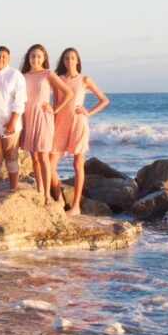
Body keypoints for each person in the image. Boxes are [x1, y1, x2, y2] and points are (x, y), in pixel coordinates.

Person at [50, 48, 110, 215]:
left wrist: (88, 112)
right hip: (60, 123)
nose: (69, 61)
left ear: (77, 60)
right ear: (63, 61)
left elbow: (104, 100)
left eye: (72, 58)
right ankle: (59, 198)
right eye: (66, 58)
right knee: (50, 164)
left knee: (77, 164)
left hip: (78, 123)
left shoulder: (84, 80)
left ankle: (76, 207)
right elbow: (55, 104)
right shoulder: (58, 79)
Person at [19, 44, 73, 206]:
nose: (35, 59)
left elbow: (68, 93)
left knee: (43, 156)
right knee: (34, 157)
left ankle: (48, 196)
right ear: (28, 58)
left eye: (39, 56)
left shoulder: (48, 74)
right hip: (27, 117)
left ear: (44, 59)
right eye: (33, 56)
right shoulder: (23, 76)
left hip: (43, 117)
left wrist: (55, 109)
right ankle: (40, 191)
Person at [0, 46, 27, 193]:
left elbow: (20, 101)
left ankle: (13, 188)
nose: (0, 59)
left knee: (11, 155)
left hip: (11, 122)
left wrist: (12, 121)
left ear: (8, 59)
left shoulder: (15, 75)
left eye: (3, 57)